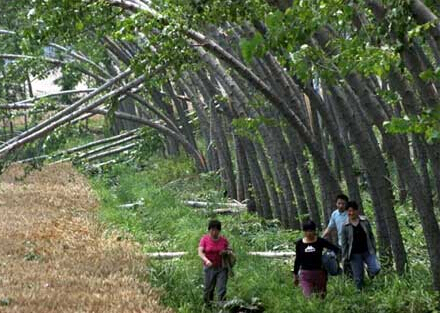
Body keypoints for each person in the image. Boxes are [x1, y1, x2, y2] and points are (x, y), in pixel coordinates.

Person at [293, 220, 340, 299]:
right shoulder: (299, 243)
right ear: (304, 232)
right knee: (308, 297)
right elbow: (298, 259)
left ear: (314, 231)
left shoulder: (320, 241)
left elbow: (335, 249)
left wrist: (330, 259)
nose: (309, 233)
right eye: (307, 231)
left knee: (321, 296)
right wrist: (295, 275)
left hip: (320, 273)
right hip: (305, 274)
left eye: (311, 230)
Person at [341, 201, 380, 290]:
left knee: (375, 269)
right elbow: (344, 243)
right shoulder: (345, 226)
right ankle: (361, 295)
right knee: (358, 278)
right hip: (354, 254)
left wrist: (374, 248)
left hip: (368, 251)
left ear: (357, 211)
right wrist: (344, 257)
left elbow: (371, 235)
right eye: (349, 211)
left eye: (353, 211)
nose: (351, 213)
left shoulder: (364, 221)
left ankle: (370, 274)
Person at [198, 219, 231, 305]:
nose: (214, 232)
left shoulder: (223, 240)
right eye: (212, 229)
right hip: (209, 267)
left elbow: (230, 250)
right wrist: (206, 260)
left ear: (219, 230)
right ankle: (208, 305)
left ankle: (222, 306)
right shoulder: (204, 239)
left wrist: (226, 252)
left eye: (216, 230)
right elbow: (200, 252)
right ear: (209, 230)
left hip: (222, 267)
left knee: (222, 288)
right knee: (208, 288)